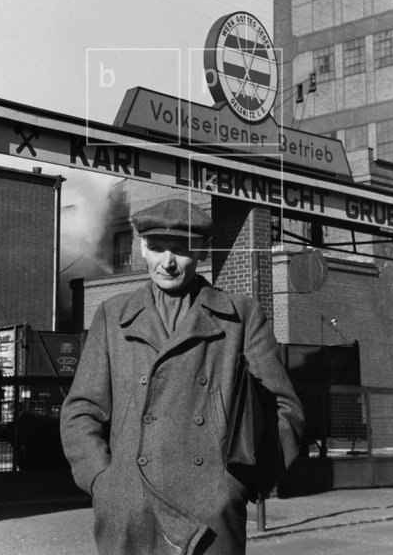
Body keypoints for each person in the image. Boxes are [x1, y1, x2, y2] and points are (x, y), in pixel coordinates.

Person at [60, 197, 303, 555]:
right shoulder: (113, 316)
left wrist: (236, 485)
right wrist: (105, 482)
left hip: (210, 520)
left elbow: (284, 410)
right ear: (142, 248)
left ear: (202, 250)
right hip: (129, 516)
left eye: (182, 250)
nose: (168, 263)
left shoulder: (241, 316)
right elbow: (80, 411)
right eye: (157, 248)